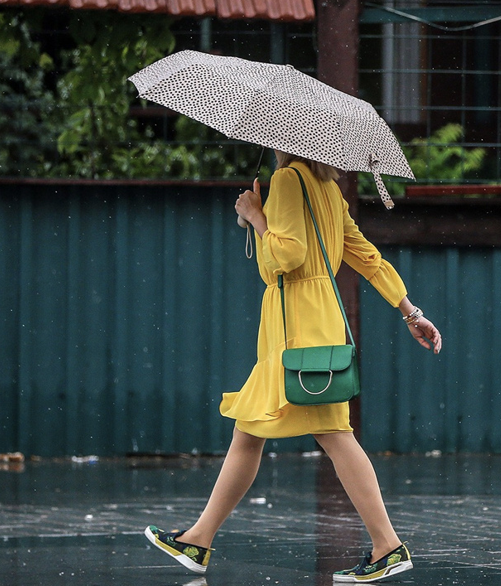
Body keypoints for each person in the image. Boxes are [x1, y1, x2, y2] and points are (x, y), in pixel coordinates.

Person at [145, 151, 442, 583]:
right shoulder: (329, 188)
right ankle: (199, 538)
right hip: (314, 322)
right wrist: (411, 312)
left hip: (295, 325)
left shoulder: (287, 181)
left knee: (332, 433)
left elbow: (285, 258)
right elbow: (367, 257)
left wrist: (256, 216)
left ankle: (388, 546)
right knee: (252, 427)